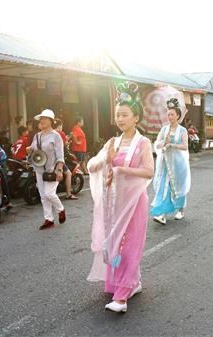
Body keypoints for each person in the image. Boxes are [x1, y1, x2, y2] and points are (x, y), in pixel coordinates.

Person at [87, 81, 154, 313]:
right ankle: (130, 283)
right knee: (115, 245)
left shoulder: (143, 143)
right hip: (115, 202)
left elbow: (149, 171)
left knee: (130, 246)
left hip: (135, 203)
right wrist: (104, 160)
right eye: (118, 115)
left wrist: (122, 170)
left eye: (125, 114)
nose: (120, 119)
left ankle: (123, 297)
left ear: (136, 117)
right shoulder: (112, 142)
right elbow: (93, 164)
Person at [150, 98, 191, 225]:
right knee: (163, 187)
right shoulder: (164, 129)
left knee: (178, 187)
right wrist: (163, 142)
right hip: (165, 164)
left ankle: (181, 209)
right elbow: (157, 144)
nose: (169, 116)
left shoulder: (183, 131)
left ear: (178, 116)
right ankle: (161, 213)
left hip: (178, 164)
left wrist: (172, 144)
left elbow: (185, 146)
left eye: (172, 114)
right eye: (168, 114)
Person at [28, 109, 66, 230]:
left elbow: (60, 155)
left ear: (51, 121)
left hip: (51, 169)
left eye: (45, 118)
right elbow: (33, 150)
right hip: (39, 169)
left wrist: (59, 170)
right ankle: (49, 219)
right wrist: (29, 150)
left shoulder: (56, 136)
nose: (42, 120)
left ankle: (60, 209)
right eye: (41, 119)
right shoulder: (37, 136)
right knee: (43, 195)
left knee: (49, 194)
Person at [54, 118, 78, 200]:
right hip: (58, 159)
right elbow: (63, 145)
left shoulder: (49, 133)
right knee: (68, 174)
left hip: (48, 160)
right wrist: (67, 141)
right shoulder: (61, 133)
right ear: (60, 125)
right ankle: (68, 194)